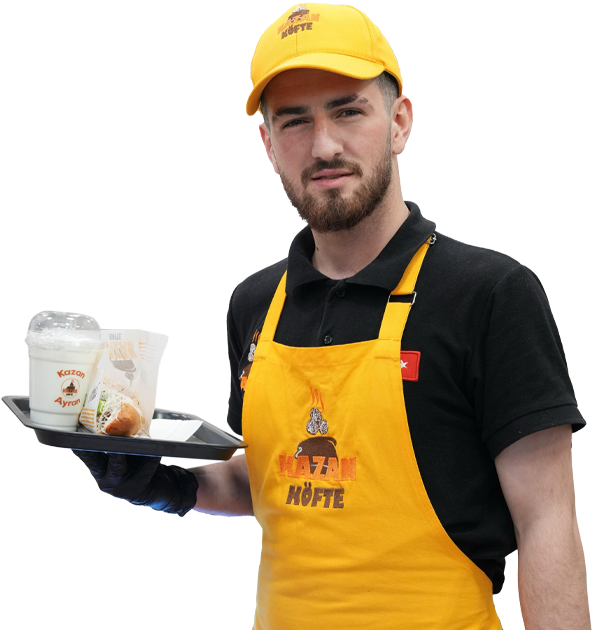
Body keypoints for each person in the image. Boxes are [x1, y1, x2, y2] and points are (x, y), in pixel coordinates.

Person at [75, 4, 590, 629]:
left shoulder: (488, 295)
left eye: (348, 111)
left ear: (398, 122)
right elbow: (271, 479)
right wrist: (164, 485)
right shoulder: (255, 305)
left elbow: (546, 522)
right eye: (295, 121)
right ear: (268, 145)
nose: (324, 146)